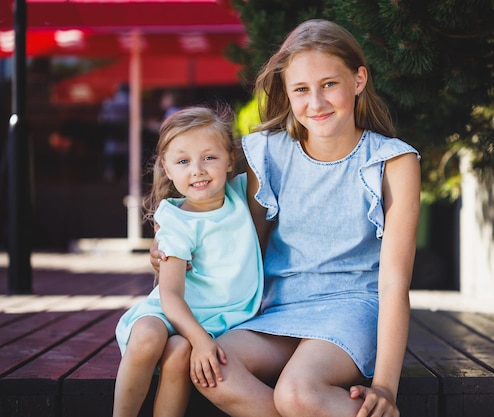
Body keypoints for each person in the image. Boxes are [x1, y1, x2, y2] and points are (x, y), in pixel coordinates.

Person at [152, 18, 422, 417]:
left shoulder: (392, 161)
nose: (316, 103)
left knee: (296, 393)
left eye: (329, 84)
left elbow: (395, 281)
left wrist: (384, 386)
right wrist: (171, 247)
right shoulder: (267, 153)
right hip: (277, 307)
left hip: (351, 308)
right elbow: (229, 229)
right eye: (301, 90)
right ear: (287, 93)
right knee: (208, 367)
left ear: (359, 80)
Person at [114, 106, 264, 417]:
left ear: (229, 161)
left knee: (180, 351)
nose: (197, 169)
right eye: (183, 161)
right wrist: (201, 340)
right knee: (148, 336)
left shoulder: (240, 193)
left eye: (209, 157)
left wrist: (197, 341)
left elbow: (263, 147)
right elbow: (169, 295)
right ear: (167, 170)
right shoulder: (178, 221)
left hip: (220, 321)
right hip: (171, 313)